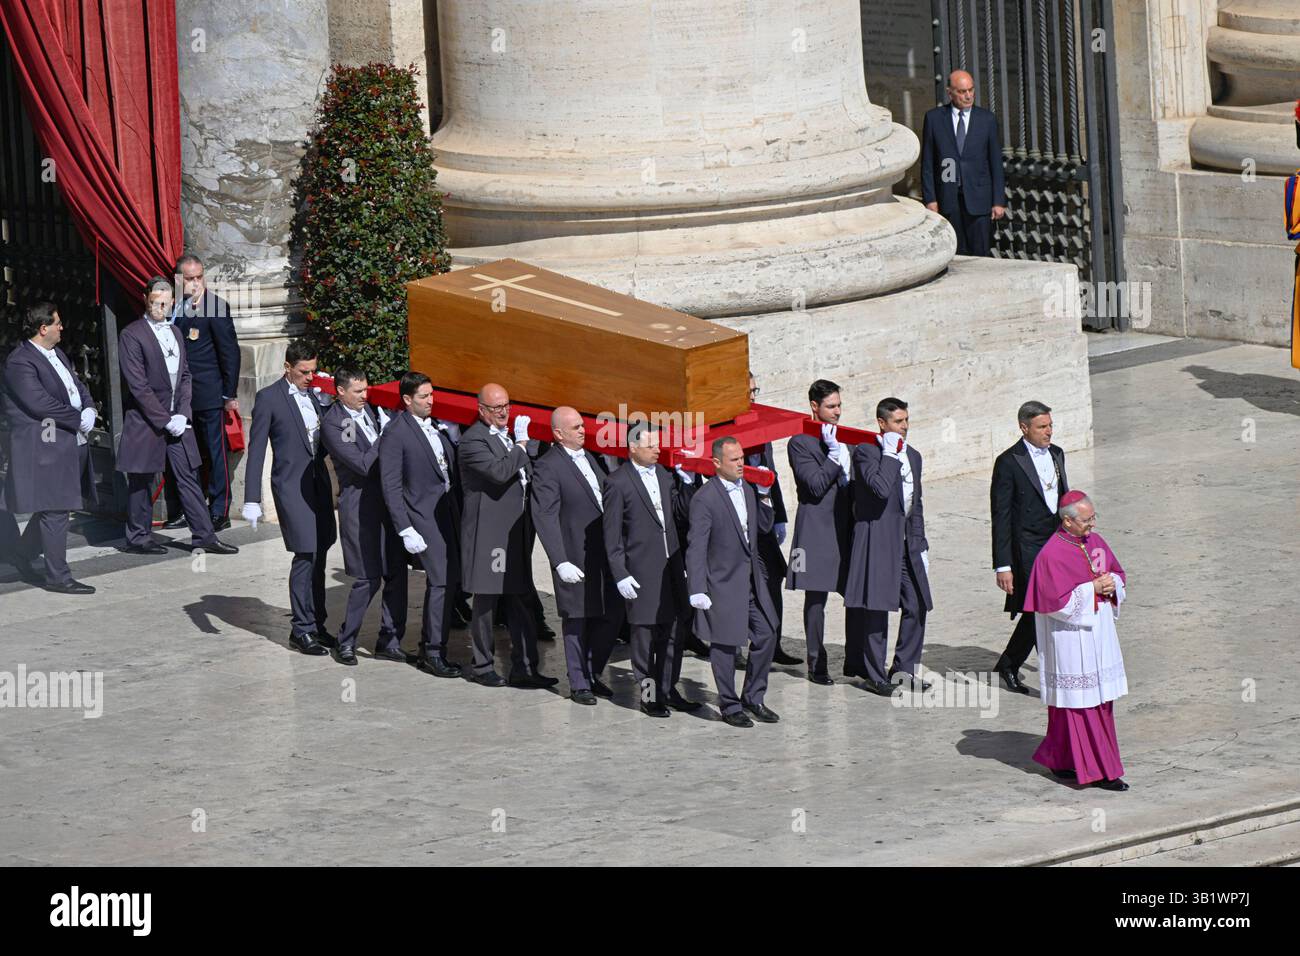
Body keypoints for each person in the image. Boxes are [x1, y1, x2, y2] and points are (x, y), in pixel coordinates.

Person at [117, 277, 238, 557]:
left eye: (166, 300)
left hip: (178, 419)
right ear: (146, 299)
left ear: (173, 301)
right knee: (142, 479)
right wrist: (164, 419)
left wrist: (183, 414)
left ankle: (204, 535)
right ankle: (138, 536)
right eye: (155, 300)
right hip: (148, 420)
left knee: (188, 476)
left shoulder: (175, 331)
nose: (160, 305)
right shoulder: (132, 335)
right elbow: (138, 386)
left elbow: (185, 376)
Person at [1025, 491, 1129, 791]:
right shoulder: (1051, 554)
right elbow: (1053, 602)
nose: (1092, 525)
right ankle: (1101, 771)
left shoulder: (1094, 542)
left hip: (1100, 635)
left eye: (1093, 517)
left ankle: (1061, 760)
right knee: (1079, 706)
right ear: (1068, 521)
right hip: (1071, 641)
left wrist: (1113, 584)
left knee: (1098, 703)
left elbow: (1117, 572)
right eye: (1086, 520)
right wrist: (1092, 588)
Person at [241, 340, 337, 655]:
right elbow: (256, 450)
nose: (310, 377)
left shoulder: (319, 394)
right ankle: (301, 629)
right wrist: (252, 497)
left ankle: (317, 624)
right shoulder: (269, 398)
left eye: (313, 370)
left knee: (320, 553)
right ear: (287, 368)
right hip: (291, 488)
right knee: (305, 555)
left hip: (318, 484)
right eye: (303, 372)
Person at [458, 382, 555, 688]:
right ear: (481, 409)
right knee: (486, 601)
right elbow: (499, 472)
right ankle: (482, 664)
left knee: (520, 597)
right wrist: (522, 445)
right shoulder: (473, 440)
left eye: (506, 406)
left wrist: (528, 444)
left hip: (515, 531)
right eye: (496, 407)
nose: (503, 412)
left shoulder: (509, 435)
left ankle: (525, 666)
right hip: (490, 535)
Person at [602, 422, 700, 716]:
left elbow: (680, 515)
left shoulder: (664, 474)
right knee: (644, 638)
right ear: (633, 447)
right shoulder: (617, 483)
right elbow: (612, 534)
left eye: (659, 444)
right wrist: (620, 573)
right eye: (651, 445)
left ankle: (669, 689)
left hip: (671, 568)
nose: (658, 450)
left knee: (673, 632)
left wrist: (687, 484)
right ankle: (648, 696)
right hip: (641, 571)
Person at [1, 301, 99, 593]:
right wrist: (77, 419)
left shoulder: (57, 353)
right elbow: (38, 402)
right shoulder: (20, 361)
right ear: (43, 328)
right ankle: (59, 577)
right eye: (57, 323)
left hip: (67, 440)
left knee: (52, 507)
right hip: (44, 443)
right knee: (56, 508)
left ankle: (23, 553)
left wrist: (90, 408)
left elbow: (76, 386)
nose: (62, 327)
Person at [530, 406, 623, 704]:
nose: (583, 430)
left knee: (612, 614)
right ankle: (579, 681)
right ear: (558, 433)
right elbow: (545, 515)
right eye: (576, 427)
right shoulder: (548, 466)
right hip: (574, 554)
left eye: (583, 425)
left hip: (603, 553)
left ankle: (593, 671)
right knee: (577, 619)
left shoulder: (591, 458)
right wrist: (559, 561)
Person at [686, 436, 780, 728]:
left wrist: (765, 496)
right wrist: (698, 588)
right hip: (722, 583)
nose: (741, 463)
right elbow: (696, 545)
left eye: (741, 458)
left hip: (751, 583)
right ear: (716, 463)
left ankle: (753, 696)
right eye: (734, 459)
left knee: (767, 634)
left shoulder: (748, 490)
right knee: (725, 646)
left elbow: (762, 528)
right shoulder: (705, 498)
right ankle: (729, 705)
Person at [844, 398, 933, 695]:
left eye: (906, 420)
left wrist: (920, 543)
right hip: (879, 539)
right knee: (877, 607)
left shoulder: (915, 456)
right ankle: (874, 672)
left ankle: (904, 669)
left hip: (907, 541)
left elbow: (915, 503)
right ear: (882, 423)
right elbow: (880, 489)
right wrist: (890, 455)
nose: (904, 427)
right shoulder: (866, 452)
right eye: (898, 422)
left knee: (917, 603)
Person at [320, 366, 408, 667]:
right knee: (367, 578)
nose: (364, 395)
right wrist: (387, 435)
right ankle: (347, 641)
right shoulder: (334, 423)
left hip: (387, 505)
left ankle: (390, 640)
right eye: (358, 391)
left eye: (365, 389)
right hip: (360, 507)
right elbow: (361, 464)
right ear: (340, 391)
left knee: (396, 572)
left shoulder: (370, 411)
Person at [379, 371, 465, 678]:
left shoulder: (435, 427)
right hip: (421, 517)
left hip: (445, 514)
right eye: (424, 397)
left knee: (449, 580)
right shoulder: (395, 432)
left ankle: (433, 644)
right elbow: (390, 485)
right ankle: (432, 652)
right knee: (441, 581)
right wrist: (405, 528)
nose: (431, 401)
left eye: (431, 395)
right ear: (406, 399)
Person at [991, 400, 1070, 694]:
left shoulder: (1058, 454)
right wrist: (1003, 565)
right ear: (1024, 428)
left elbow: (1063, 498)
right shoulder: (1009, 462)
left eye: (1050, 425)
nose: (1048, 432)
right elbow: (1001, 517)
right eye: (1042, 427)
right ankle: (1022, 665)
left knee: (1043, 607)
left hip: (1055, 544)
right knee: (1038, 607)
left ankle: (1010, 663)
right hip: (1027, 548)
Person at [163, 255, 240, 530]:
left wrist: (229, 394)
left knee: (215, 453)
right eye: (190, 278)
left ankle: (220, 509)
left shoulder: (215, 307)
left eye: (199, 277)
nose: (196, 283)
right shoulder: (173, 307)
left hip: (208, 394)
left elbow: (229, 352)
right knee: (185, 454)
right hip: (180, 397)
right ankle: (190, 508)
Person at [785, 379, 853, 684]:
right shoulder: (800, 442)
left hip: (844, 523)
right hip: (816, 527)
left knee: (855, 591)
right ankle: (816, 661)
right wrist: (833, 456)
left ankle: (858, 657)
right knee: (816, 597)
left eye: (839, 405)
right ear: (814, 407)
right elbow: (813, 484)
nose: (837, 412)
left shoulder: (845, 438)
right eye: (831, 406)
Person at [744, 372, 801, 668]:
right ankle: (750, 642)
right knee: (746, 584)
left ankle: (773, 642)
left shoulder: (759, 422)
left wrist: (779, 514)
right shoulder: (724, 427)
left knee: (774, 577)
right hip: (742, 520)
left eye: (756, 390)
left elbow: (771, 472)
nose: (754, 396)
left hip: (765, 517)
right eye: (749, 391)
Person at [921, 69, 1006, 257]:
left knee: (980, 254)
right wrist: (931, 199)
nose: (968, 96)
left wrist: (998, 201)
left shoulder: (986, 120)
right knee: (954, 253)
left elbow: (995, 163)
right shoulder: (934, 119)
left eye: (971, 90)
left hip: (979, 199)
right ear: (950, 92)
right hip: (949, 199)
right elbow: (928, 163)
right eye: (962, 91)